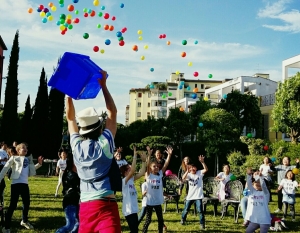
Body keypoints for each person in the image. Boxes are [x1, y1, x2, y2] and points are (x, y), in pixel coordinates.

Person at [66, 69, 121, 233]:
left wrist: (69, 95)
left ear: (82, 130)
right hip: (106, 207)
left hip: (85, 209)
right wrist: (103, 85)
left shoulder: (76, 147)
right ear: (99, 128)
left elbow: (70, 118)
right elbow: (113, 112)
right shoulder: (104, 144)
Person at [0, 143, 43, 233]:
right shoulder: (14, 158)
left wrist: (39, 164)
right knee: (13, 205)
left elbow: (31, 170)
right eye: (23, 148)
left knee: (26, 203)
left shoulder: (28, 159)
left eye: (26, 148)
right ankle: (6, 227)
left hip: (24, 184)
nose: (25, 149)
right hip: (15, 184)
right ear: (18, 150)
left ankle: (24, 221)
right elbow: (5, 168)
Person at [142, 146, 172, 233]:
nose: (157, 167)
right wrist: (149, 154)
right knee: (148, 220)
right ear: (150, 168)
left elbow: (166, 164)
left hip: (158, 201)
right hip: (150, 202)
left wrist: (169, 155)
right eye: (154, 166)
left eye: (157, 166)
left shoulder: (159, 174)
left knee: (160, 220)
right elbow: (147, 164)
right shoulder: (149, 175)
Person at [119, 146, 147, 233]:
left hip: (134, 209)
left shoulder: (131, 179)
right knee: (134, 230)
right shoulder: (124, 181)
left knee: (135, 230)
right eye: (128, 168)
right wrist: (135, 155)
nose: (131, 169)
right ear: (125, 172)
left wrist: (143, 161)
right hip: (128, 210)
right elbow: (133, 170)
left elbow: (142, 172)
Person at [180, 155, 208, 230]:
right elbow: (183, 178)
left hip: (198, 196)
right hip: (190, 196)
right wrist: (187, 171)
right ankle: (183, 219)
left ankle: (202, 224)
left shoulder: (199, 173)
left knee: (200, 211)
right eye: (191, 168)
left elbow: (206, 169)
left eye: (194, 167)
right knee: (186, 209)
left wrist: (202, 162)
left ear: (196, 168)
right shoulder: (188, 175)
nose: (193, 169)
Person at [56, 155, 80, 233]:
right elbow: (74, 188)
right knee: (70, 225)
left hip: (75, 201)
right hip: (70, 202)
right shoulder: (71, 175)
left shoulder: (73, 173)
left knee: (78, 224)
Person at [245, 168, 271, 233]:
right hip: (255, 220)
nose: (258, 184)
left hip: (264, 220)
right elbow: (249, 183)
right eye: (257, 182)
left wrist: (261, 177)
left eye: (260, 183)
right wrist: (249, 175)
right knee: (248, 231)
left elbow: (263, 186)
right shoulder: (252, 192)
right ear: (254, 184)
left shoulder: (265, 193)